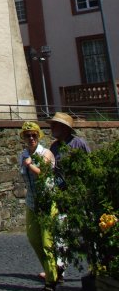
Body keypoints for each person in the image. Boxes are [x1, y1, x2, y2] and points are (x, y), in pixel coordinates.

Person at [48, 111, 91, 280]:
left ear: (64, 128)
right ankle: (60, 269)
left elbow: (89, 165)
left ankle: (96, 266)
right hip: (62, 196)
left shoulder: (79, 143)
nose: (51, 128)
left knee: (86, 232)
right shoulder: (54, 147)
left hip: (79, 195)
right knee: (60, 233)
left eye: (54, 125)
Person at [19, 121, 59, 291]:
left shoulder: (46, 153)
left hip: (47, 201)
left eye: (34, 135)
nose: (31, 138)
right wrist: (25, 163)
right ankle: (54, 271)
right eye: (27, 135)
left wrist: (29, 165)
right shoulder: (23, 155)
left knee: (47, 241)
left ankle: (51, 281)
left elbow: (44, 172)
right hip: (31, 201)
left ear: (38, 136)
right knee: (33, 238)